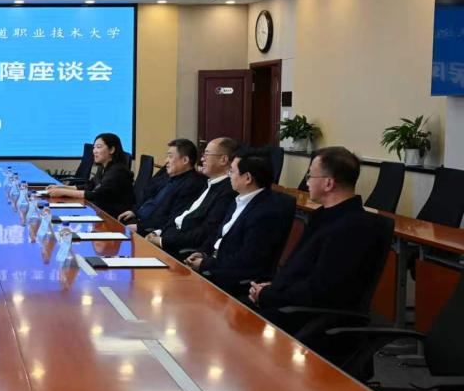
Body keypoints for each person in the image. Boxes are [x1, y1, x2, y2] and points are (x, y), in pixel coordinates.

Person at [249, 147, 394, 327]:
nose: (307, 182)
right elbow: (299, 270)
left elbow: (319, 290)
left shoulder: (353, 228)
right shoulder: (323, 215)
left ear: (328, 183)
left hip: (308, 321)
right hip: (287, 304)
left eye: (310, 176)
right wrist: (272, 288)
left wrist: (269, 295)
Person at [184, 150, 295, 296]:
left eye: (232, 171)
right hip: (214, 267)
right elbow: (219, 235)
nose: (228, 175)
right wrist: (202, 252)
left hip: (230, 281)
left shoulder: (265, 212)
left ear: (247, 178)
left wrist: (205, 264)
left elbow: (245, 260)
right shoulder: (239, 199)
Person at [146, 137, 238, 256]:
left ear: (223, 159)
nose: (202, 159)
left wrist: (162, 241)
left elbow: (204, 231)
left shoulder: (227, 191)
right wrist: (158, 232)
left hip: (178, 248)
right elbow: (182, 215)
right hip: (167, 236)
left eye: (207, 154)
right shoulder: (209, 183)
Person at [118, 138, 205, 234]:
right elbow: (147, 194)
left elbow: (173, 218)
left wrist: (140, 227)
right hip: (138, 219)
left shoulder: (192, 185)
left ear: (185, 160)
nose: (166, 161)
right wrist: (134, 211)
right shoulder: (167, 174)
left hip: (151, 229)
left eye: (170, 157)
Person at [46, 133, 135, 218]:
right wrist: (61, 187)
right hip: (100, 210)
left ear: (112, 150)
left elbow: (98, 195)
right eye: (94, 148)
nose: (94, 151)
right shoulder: (103, 168)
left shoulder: (118, 171)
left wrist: (64, 192)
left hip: (113, 216)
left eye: (99, 147)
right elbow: (90, 186)